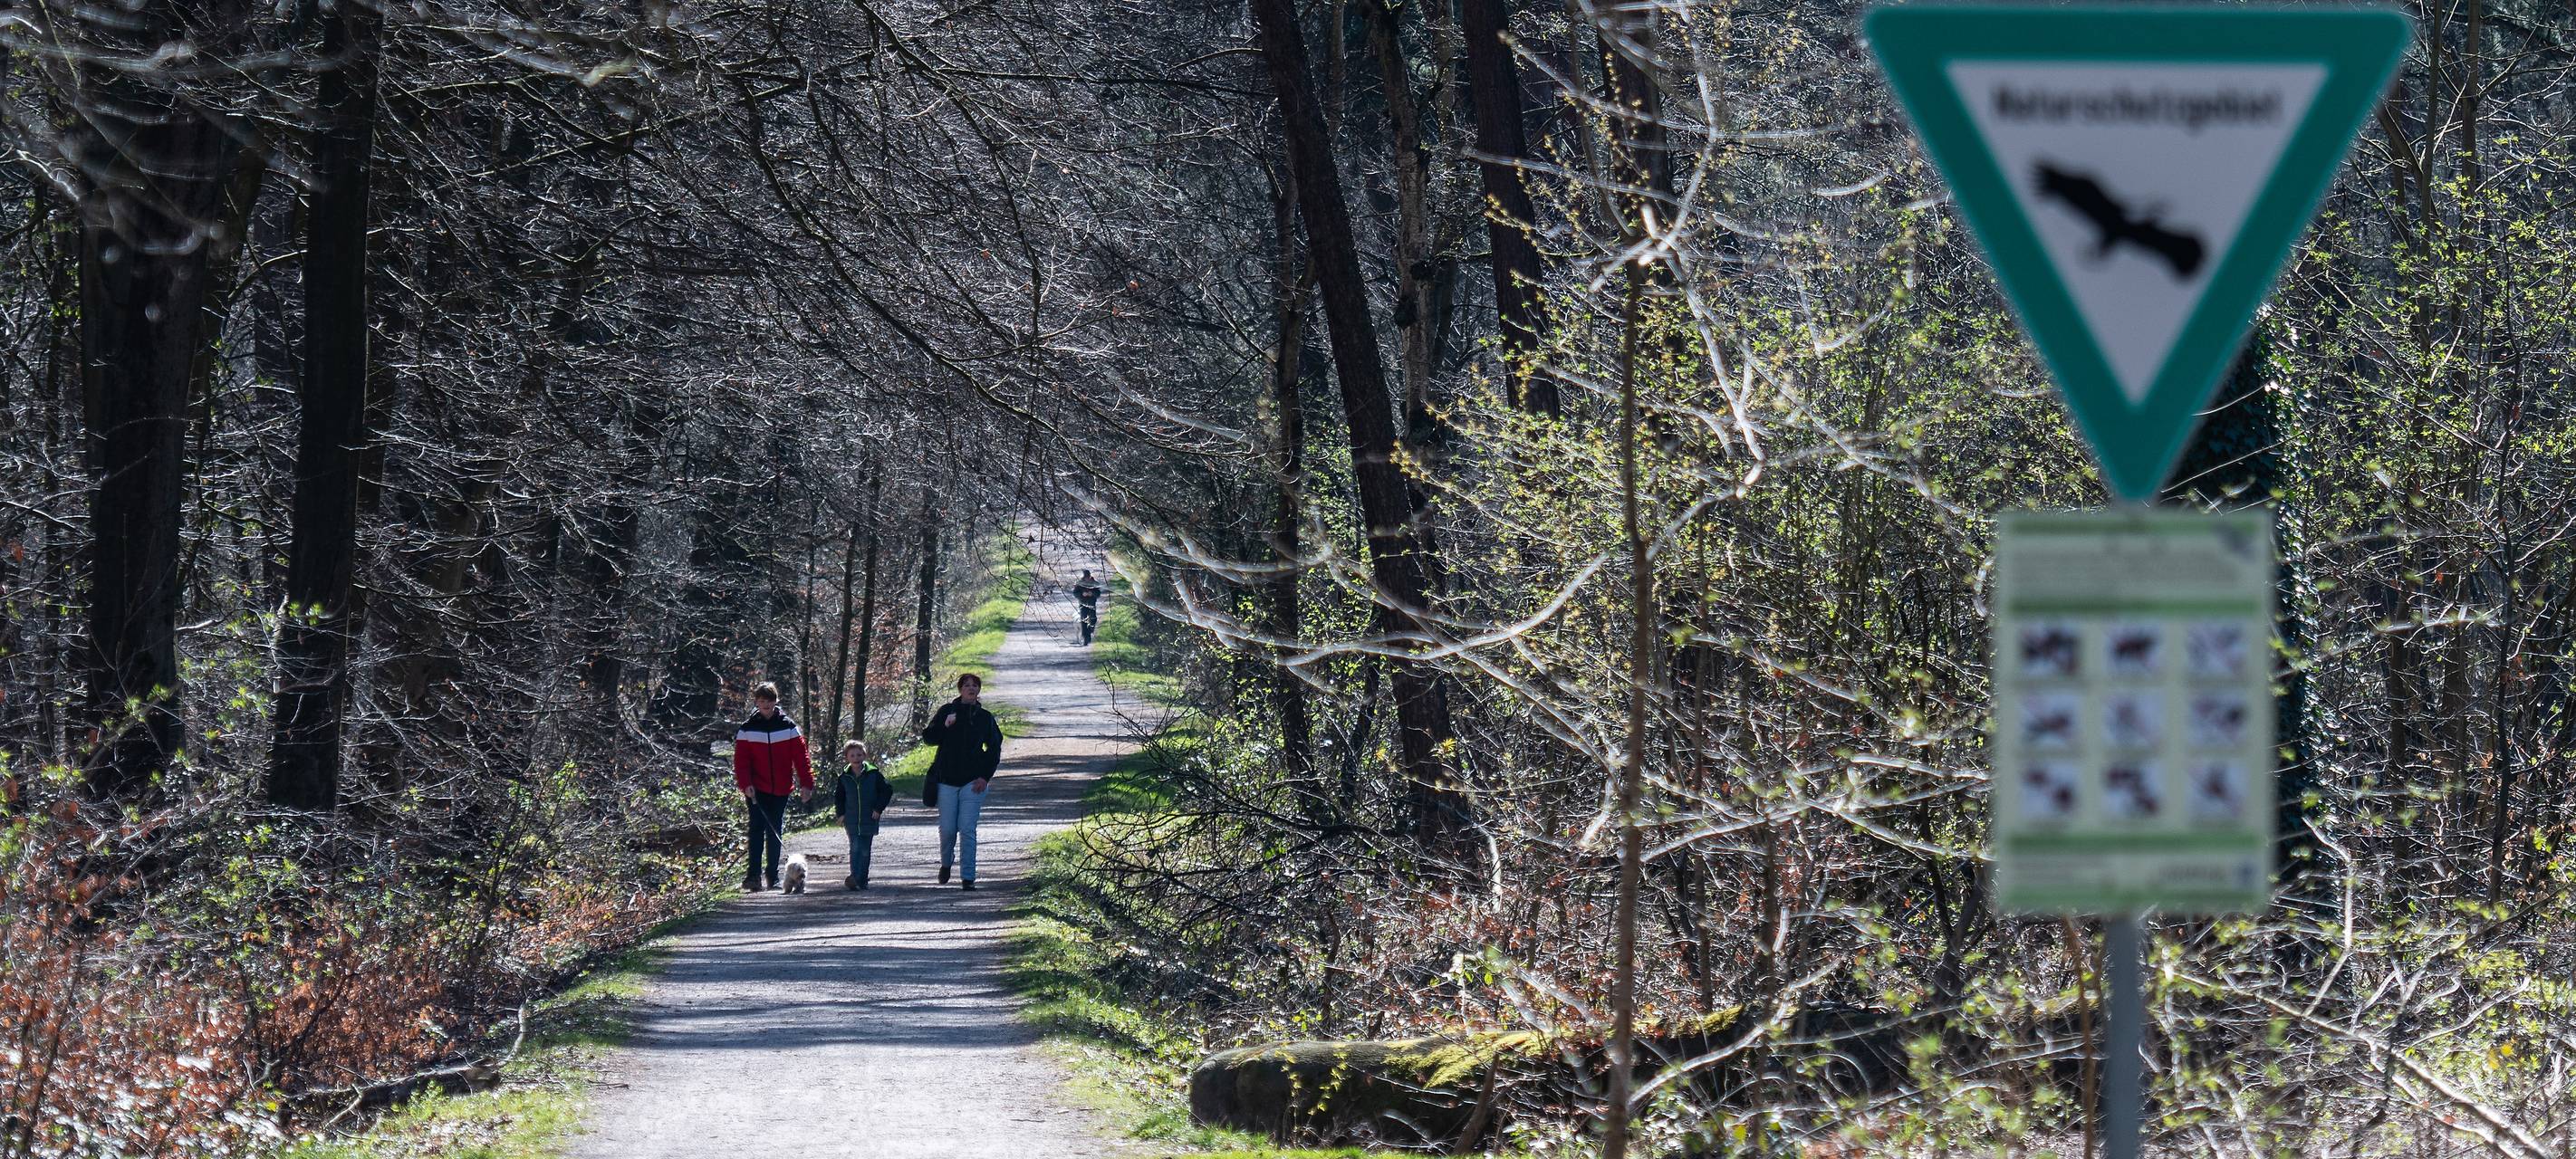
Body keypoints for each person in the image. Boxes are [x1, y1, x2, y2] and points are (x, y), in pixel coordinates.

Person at [918, 672, 1003, 889]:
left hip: (972, 782)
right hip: (946, 779)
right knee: (947, 830)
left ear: (979, 691)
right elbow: (929, 738)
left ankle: (968, 877)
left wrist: (985, 776)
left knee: (967, 829)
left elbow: (994, 748)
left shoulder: (985, 718)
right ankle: (946, 863)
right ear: (960, 689)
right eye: (967, 685)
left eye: (975, 686)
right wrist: (944, 725)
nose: (971, 688)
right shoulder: (947, 711)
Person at [731, 682, 814, 891]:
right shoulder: (747, 729)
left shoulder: (788, 727)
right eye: (761, 701)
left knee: (774, 830)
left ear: (776, 701)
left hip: (781, 788)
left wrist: (807, 784)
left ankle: (773, 876)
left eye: (769, 701)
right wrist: (745, 784)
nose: (765, 705)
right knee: (756, 831)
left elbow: (801, 758)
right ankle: (753, 877)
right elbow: (741, 761)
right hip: (756, 789)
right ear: (756, 703)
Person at [831, 740, 893, 890]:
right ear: (847, 757)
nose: (856, 758)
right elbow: (839, 797)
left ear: (865, 755)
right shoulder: (844, 777)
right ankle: (854, 877)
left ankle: (861, 879)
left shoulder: (874, 774)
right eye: (852, 755)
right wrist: (841, 814)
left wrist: (878, 809)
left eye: (859, 755)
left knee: (865, 849)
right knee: (855, 848)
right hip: (851, 820)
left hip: (869, 818)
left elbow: (887, 791)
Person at [1072, 570, 1105, 646]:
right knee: (1084, 620)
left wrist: (1092, 593)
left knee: (1093, 619)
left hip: (1092, 603)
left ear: (1090, 576)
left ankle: (1090, 631)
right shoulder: (1079, 583)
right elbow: (1075, 593)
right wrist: (1082, 594)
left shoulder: (1094, 583)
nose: (1087, 579)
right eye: (1085, 577)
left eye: (1088, 577)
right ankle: (1085, 638)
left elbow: (1098, 593)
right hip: (1083, 604)